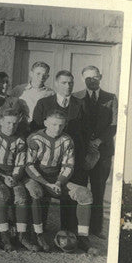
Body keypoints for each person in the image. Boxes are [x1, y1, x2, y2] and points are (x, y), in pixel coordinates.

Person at [32, 70, 95, 235]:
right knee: (42, 195)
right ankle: (40, 231)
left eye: (70, 83)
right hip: (47, 160)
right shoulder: (44, 103)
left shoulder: (81, 104)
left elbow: (87, 132)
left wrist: (86, 155)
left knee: (71, 198)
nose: (68, 86)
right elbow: (36, 128)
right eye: (64, 83)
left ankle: (68, 233)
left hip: (73, 158)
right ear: (56, 84)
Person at [25, 108, 93, 253]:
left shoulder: (66, 140)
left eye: (61, 125)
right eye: (54, 124)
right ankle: (38, 234)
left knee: (85, 194)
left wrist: (58, 183)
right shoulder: (35, 139)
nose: (58, 128)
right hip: (37, 178)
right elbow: (29, 165)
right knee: (35, 192)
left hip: (56, 180)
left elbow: (69, 165)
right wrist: (45, 183)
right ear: (46, 123)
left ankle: (82, 237)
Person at [0, 103, 33, 251]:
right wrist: (3, 177)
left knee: (21, 194)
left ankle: (22, 235)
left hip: (12, 176)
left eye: (14, 123)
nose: (11, 126)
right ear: (1, 121)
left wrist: (14, 177)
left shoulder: (20, 140)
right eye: (8, 122)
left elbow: (20, 163)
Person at [77, 65, 117, 237]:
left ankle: (96, 228)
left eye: (95, 77)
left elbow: (114, 124)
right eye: (88, 78)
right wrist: (86, 144)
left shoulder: (111, 98)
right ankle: (76, 226)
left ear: (101, 77)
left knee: (98, 189)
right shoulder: (76, 97)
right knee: (79, 187)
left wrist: (99, 141)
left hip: (103, 151)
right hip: (82, 150)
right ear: (82, 78)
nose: (92, 81)